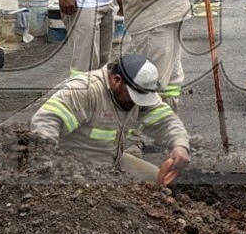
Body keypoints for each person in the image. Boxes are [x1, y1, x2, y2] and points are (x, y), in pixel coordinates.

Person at [29, 54, 192, 186]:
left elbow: (167, 121)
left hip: (112, 162)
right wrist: (47, 167)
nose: (137, 103)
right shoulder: (86, 91)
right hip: (77, 169)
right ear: (116, 80)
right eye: (134, 97)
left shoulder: (138, 91)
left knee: (156, 181)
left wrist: (180, 145)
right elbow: (46, 120)